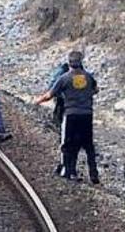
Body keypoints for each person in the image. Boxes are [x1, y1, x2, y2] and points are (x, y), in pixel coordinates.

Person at [34, 51, 100, 183]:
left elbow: (50, 95)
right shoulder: (88, 77)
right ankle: (93, 173)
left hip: (71, 115)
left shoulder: (64, 78)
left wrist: (37, 101)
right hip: (87, 115)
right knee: (88, 145)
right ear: (81, 62)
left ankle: (68, 171)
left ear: (69, 63)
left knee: (68, 144)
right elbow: (96, 89)